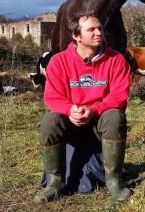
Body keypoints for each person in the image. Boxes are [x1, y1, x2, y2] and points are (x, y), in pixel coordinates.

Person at [35, 13, 132, 203]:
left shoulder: (117, 60)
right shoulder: (58, 61)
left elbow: (119, 96)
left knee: (115, 116)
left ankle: (114, 181)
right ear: (76, 36)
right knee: (49, 122)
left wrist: (94, 110)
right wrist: (71, 110)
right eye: (91, 30)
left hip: (100, 119)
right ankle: (55, 182)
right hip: (71, 118)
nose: (99, 33)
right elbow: (53, 97)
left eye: (100, 28)